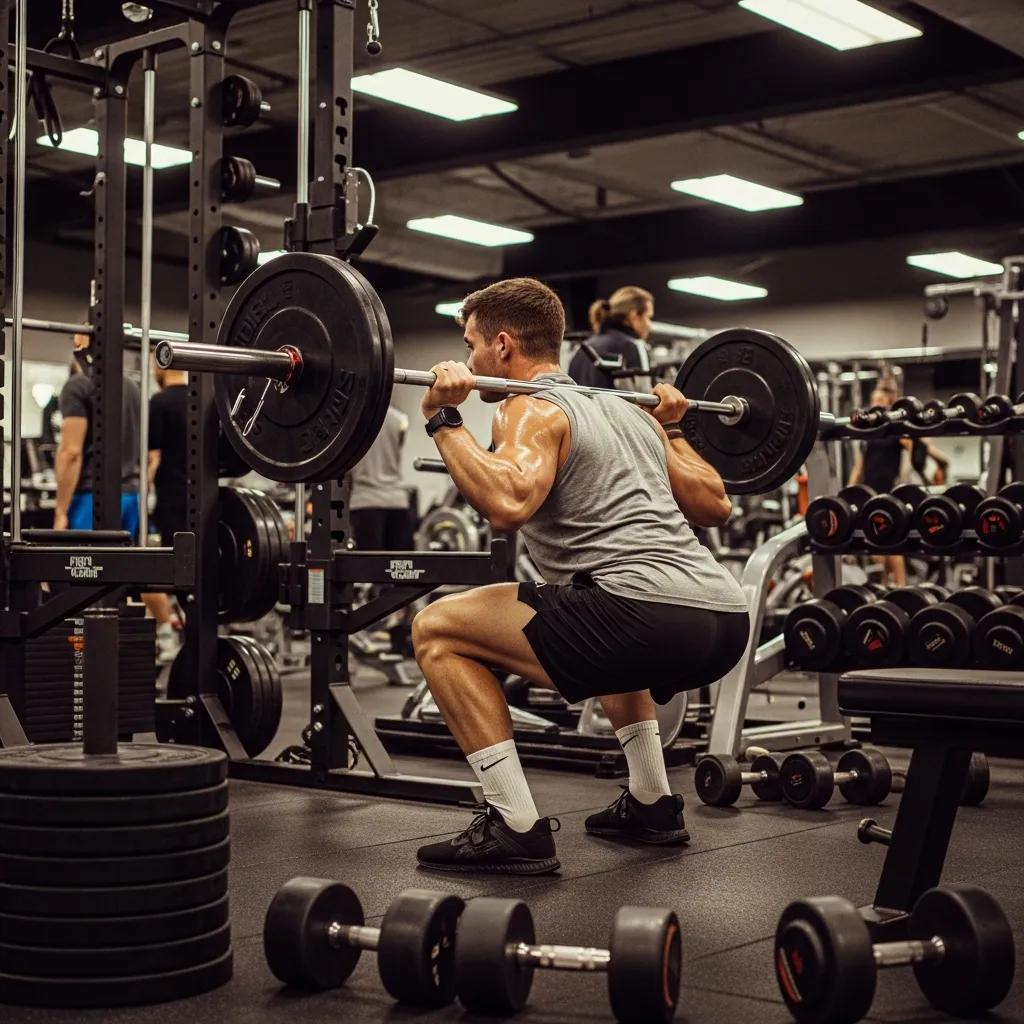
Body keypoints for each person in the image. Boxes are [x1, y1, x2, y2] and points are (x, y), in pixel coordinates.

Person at [410, 278, 750, 875]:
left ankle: (513, 824)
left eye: (471, 346)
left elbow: (507, 503)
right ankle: (651, 802)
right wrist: (672, 427)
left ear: (503, 346)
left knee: (436, 628)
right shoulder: (629, 412)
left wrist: (443, 419)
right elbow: (715, 504)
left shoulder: (528, 406)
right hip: (723, 620)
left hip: (644, 618)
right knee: (593, 604)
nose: (469, 360)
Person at [847, 379, 949, 586]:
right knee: (878, 540)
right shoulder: (869, 433)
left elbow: (914, 454)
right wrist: (849, 491)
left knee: (890, 543)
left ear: (888, 403)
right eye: (873, 400)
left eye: (879, 400)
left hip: (890, 491)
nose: (874, 404)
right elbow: (859, 465)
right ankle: (886, 585)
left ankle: (901, 586)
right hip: (870, 491)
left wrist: (905, 482)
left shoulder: (895, 430)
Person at [54, 328, 141, 537]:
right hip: (130, 497)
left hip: (91, 497)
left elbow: (71, 452)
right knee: (122, 559)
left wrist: (60, 510)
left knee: (84, 559)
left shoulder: (76, 386)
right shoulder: (132, 387)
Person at [143, 360, 189, 662]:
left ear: (160, 368)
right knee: (195, 570)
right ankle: (192, 631)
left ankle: (169, 635)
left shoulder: (159, 402)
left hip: (170, 499)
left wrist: (145, 494)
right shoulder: (202, 399)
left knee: (163, 571)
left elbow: (153, 457)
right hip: (202, 500)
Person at [349, 405, 413, 550]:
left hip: (366, 501)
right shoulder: (399, 418)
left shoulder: (353, 418)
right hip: (396, 500)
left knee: (370, 564)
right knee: (398, 564)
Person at [567, 286, 653, 390]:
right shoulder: (633, 346)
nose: (650, 325)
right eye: (648, 317)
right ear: (634, 315)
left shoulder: (583, 349)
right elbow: (644, 396)